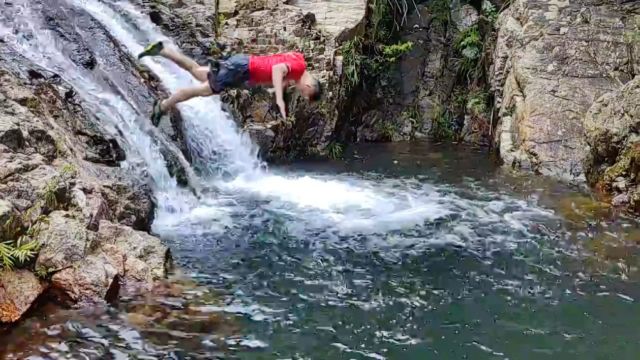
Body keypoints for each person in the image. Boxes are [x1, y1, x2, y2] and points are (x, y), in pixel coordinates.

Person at [137, 41, 322, 125]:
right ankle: (162, 106)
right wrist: (280, 100)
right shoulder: (297, 69)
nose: (300, 93)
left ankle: (163, 51)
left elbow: (280, 66)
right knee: (202, 91)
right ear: (309, 87)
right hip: (242, 70)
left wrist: (277, 88)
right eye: (304, 94)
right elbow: (277, 69)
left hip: (242, 65)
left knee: (196, 71)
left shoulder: (299, 63)